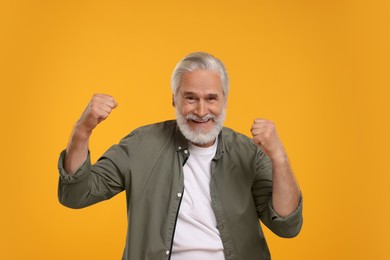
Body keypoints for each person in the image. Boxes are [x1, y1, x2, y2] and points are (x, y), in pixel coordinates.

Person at [58, 52, 303, 260]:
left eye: (211, 99)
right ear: (174, 100)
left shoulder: (248, 153)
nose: (201, 111)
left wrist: (279, 157)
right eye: (190, 98)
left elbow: (287, 225)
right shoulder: (141, 144)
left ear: (225, 101)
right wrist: (83, 130)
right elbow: (76, 194)